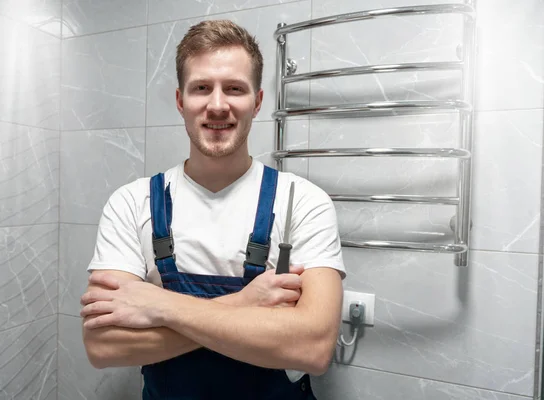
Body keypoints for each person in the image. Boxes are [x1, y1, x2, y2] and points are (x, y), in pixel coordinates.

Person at [80, 19, 346, 400]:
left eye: (235, 89)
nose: (217, 105)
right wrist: (244, 304)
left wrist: (159, 305)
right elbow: (103, 347)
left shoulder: (301, 202)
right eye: (201, 88)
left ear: (256, 101)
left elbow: (313, 349)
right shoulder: (131, 203)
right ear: (180, 100)